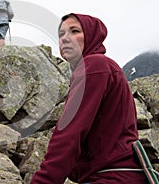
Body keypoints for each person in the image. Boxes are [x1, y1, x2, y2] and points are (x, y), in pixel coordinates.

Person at [30, 13, 147, 183]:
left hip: (111, 176)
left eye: (75, 31)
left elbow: (70, 132)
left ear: (92, 35)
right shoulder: (100, 67)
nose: (65, 38)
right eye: (61, 34)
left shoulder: (94, 66)